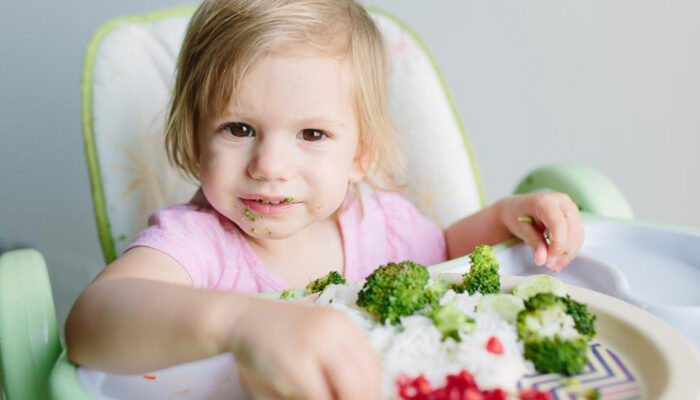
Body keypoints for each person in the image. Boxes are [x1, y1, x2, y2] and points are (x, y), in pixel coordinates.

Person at [65, 0, 584, 399]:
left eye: (311, 134)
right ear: (194, 140)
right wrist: (241, 323)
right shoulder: (197, 243)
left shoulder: (380, 226)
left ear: (361, 154)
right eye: (239, 128)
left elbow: (448, 252)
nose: (269, 165)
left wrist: (505, 218)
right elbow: (91, 321)